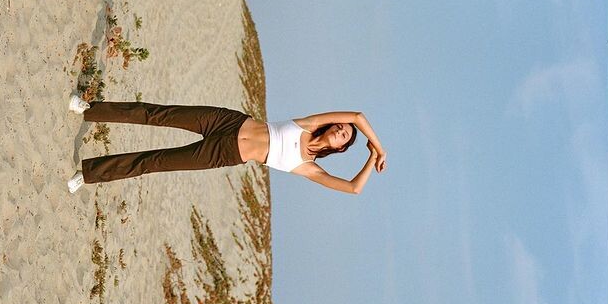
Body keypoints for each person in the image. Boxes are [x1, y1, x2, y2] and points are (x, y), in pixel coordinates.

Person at [66, 94, 387, 194]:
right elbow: (358, 116)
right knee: (158, 114)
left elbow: (353, 188)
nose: (341, 130)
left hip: (224, 153)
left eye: (345, 136)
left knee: (155, 161)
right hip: (227, 121)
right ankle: (89, 109)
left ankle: (89, 174)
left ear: (340, 148)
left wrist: (372, 158)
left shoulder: (308, 167)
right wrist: (380, 146)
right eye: (341, 127)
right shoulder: (309, 124)